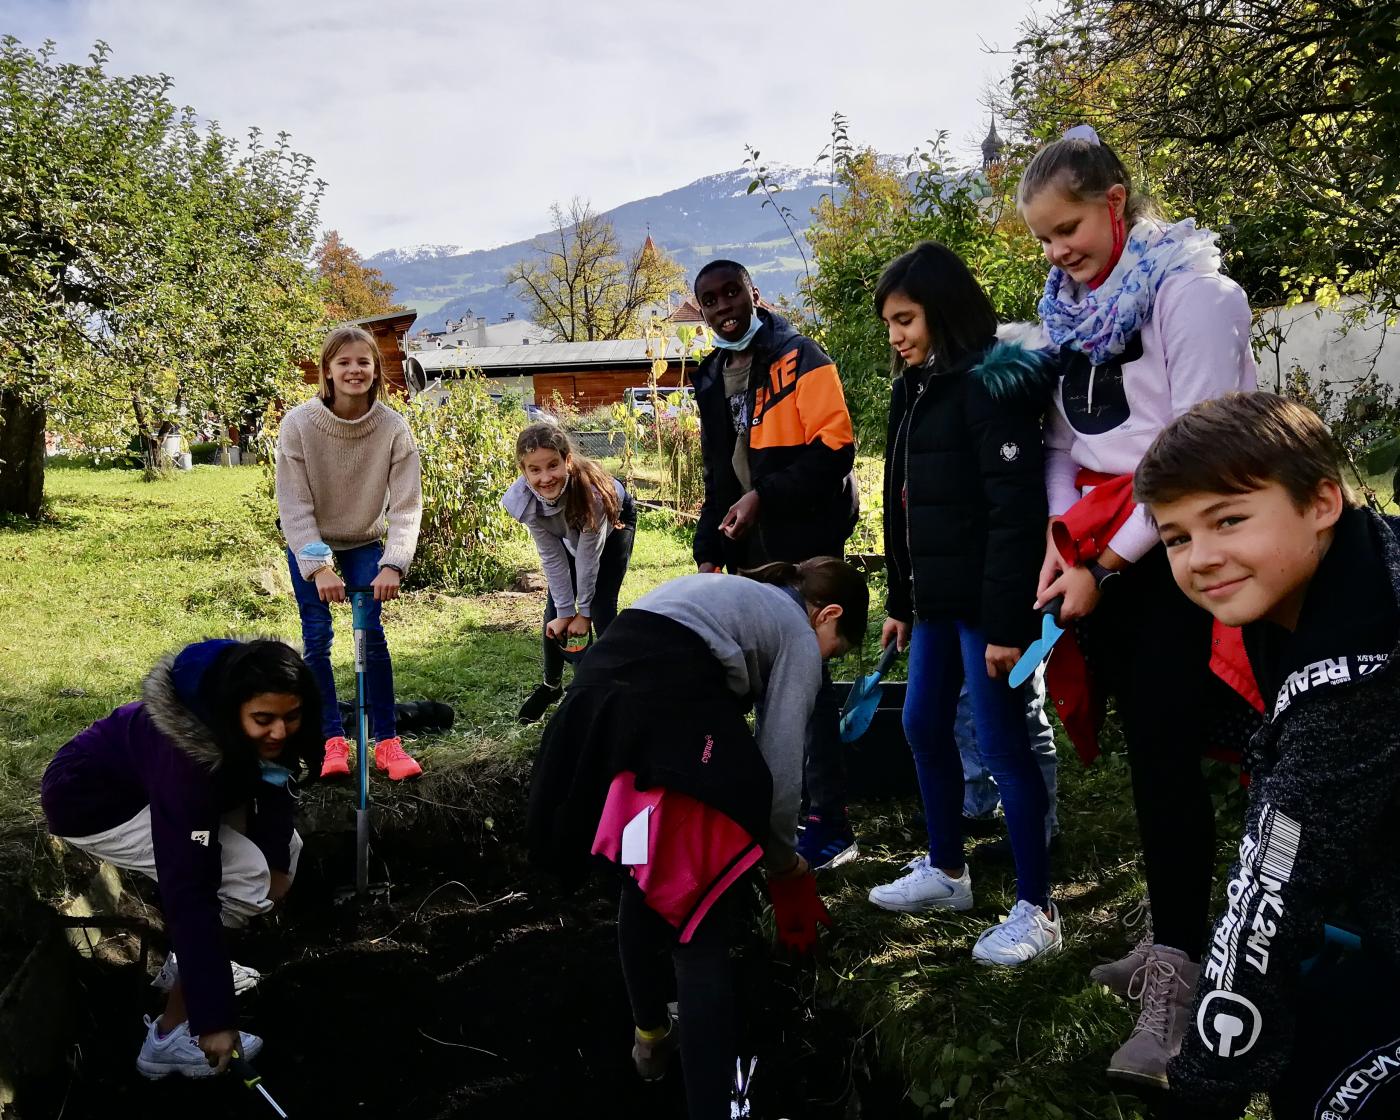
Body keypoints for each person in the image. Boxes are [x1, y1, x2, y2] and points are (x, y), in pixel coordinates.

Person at [1015, 124, 1257, 1077]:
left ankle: (1188, 975)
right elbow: (1065, 444)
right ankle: (1174, 930)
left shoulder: (1194, 297)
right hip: (1102, 545)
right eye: (1041, 238)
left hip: (1189, 550)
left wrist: (1105, 562)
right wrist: (1058, 534)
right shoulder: (1068, 310)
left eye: (1068, 227)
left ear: (1114, 203)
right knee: (1149, 755)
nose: (1057, 252)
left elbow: (1193, 454)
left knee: (1180, 761)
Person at [1133, 393, 1400, 1119]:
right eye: (1176, 537)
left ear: (1321, 502)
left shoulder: (1355, 663)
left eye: (1228, 519)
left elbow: (1273, 888)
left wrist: (1203, 1090)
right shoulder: (1327, 575)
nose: (1202, 559)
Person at [527, 558, 869, 1119]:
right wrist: (785, 867)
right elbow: (780, 773)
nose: (822, 660)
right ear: (826, 615)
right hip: (667, 709)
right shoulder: (796, 632)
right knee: (701, 924)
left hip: (596, 711)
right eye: (834, 648)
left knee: (645, 877)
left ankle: (651, 1038)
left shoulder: (729, 592)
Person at [866, 240, 1060, 965]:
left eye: (906, 318)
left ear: (943, 310)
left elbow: (1017, 512)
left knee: (1004, 747)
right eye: (890, 322)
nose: (896, 335)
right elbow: (901, 504)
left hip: (992, 605)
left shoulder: (990, 385)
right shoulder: (912, 389)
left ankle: (1039, 911)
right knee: (921, 723)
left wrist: (1010, 624)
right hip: (938, 602)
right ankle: (948, 871)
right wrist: (903, 598)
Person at [40, 639, 321, 1078]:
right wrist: (216, 1017)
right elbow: (189, 884)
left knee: (282, 854)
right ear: (232, 713)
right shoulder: (185, 760)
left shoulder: (246, 698)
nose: (280, 732)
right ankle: (171, 1036)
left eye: (291, 717)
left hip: (158, 778)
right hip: (94, 802)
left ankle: (189, 964)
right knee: (243, 876)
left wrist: (278, 863)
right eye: (264, 721)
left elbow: (276, 775)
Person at [690, 259, 860, 870]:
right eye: (710, 300)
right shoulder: (709, 376)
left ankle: (830, 821)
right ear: (702, 309)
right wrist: (710, 549)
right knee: (761, 677)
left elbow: (836, 450)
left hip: (806, 536)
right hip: (751, 546)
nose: (723, 306)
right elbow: (718, 474)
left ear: (753, 293)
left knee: (807, 679)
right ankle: (774, 807)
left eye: (732, 292)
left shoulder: (801, 357)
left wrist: (765, 497)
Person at [276, 324, 424, 781]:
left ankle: (386, 742)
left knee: (371, 637)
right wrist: (318, 566)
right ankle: (331, 741)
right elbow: (294, 504)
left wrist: (393, 563)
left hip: (364, 538)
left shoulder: (392, 428)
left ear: (376, 370)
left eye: (363, 361)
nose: (354, 370)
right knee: (317, 639)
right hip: (314, 538)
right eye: (344, 362)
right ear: (328, 371)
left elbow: (406, 505)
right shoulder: (300, 425)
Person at [502, 421, 636, 724]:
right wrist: (566, 611)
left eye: (553, 465)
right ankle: (552, 686)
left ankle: (605, 690)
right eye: (534, 470)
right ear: (523, 472)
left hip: (613, 525)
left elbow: (588, 558)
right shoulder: (525, 501)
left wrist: (583, 612)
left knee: (600, 608)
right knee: (555, 611)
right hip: (569, 528)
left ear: (568, 461)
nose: (545, 477)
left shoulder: (593, 494)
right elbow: (552, 557)